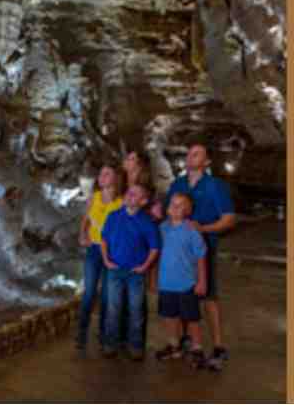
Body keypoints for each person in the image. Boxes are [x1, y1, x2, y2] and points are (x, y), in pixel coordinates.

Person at [165, 142, 235, 371]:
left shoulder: (215, 186)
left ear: (206, 162)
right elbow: (168, 213)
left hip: (204, 246)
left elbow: (228, 218)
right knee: (183, 294)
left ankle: (218, 347)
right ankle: (187, 341)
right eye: (189, 153)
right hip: (179, 250)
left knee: (209, 296)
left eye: (196, 154)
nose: (190, 156)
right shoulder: (178, 184)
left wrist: (203, 229)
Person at [101, 183, 160, 360]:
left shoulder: (146, 222)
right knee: (113, 308)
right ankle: (110, 344)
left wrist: (144, 266)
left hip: (135, 273)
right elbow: (104, 240)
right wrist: (106, 260)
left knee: (135, 310)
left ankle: (135, 346)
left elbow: (154, 248)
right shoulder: (113, 216)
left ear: (143, 201)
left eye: (135, 195)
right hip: (115, 270)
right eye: (129, 192)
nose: (129, 195)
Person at [154, 193, 207, 369]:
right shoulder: (163, 228)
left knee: (192, 319)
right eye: (173, 204)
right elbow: (157, 253)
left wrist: (202, 281)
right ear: (167, 208)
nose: (175, 207)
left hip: (187, 283)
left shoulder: (192, 230)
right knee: (170, 317)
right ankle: (174, 346)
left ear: (188, 210)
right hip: (166, 283)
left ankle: (197, 349)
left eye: (180, 205)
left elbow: (201, 257)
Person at [76, 164, 124, 351]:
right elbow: (86, 219)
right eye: (101, 173)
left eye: (107, 173)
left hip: (112, 251)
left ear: (115, 179)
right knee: (89, 292)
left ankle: (104, 333)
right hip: (94, 249)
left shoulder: (120, 202)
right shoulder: (94, 198)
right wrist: (82, 235)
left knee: (107, 295)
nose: (102, 176)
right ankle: (82, 332)